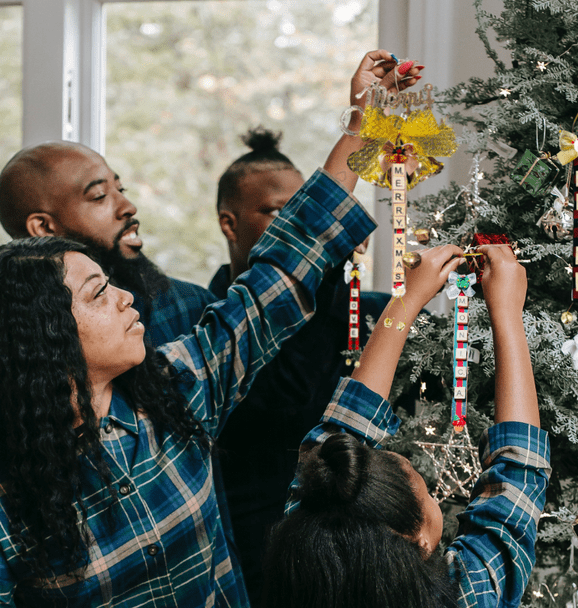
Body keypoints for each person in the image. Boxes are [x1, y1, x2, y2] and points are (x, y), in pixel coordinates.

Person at [0, 51, 414, 607]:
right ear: (45, 334)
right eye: (100, 292)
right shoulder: (14, 499)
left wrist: (365, 121)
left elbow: (285, 269)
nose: (127, 298)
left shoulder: (175, 389)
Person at [262, 244, 552, 608]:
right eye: (429, 493)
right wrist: (508, 312)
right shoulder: (462, 599)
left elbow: (340, 439)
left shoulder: (304, 551)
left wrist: (408, 297)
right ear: (421, 544)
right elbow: (519, 471)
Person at [211, 127, 391, 603]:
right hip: (251, 547)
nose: (293, 222)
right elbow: (285, 400)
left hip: (348, 546)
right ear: (229, 223)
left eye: (300, 207)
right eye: (274, 211)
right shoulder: (207, 327)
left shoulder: (365, 313)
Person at [0, 140, 216, 350]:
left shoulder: (193, 307)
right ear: (43, 227)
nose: (128, 207)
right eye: (99, 196)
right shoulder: (15, 343)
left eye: (121, 190)